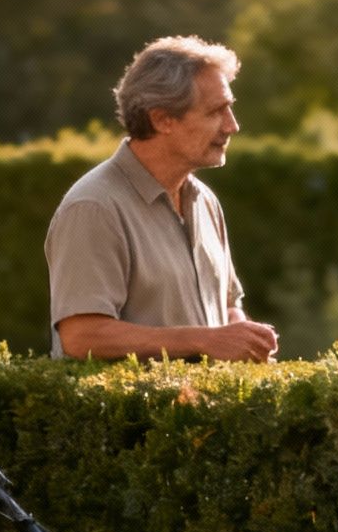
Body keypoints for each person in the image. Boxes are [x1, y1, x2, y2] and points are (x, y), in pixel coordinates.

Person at [45, 36, 279, 362]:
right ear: (161, 119)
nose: (232, 126)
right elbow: (81, 336)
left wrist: (244, 337)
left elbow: (225, 308)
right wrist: (204, 341)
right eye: (216, 111)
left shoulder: (205, 202)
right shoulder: (94, 207)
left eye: (230, 109)